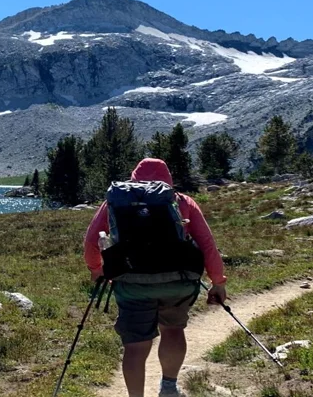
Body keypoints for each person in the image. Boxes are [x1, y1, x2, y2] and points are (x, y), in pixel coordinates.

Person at [83, 158, 227, 397]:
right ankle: (168, 388)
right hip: (177, 281)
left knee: (136, 346)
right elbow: (207, 245)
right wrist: (218, 282)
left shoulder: (116, 202)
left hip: (132, 283)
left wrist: (96, 269)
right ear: (168, 179)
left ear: (133, 178)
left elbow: (91, 241)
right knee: (173, 330)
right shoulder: (182, 201)